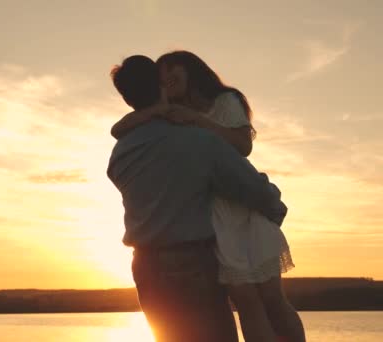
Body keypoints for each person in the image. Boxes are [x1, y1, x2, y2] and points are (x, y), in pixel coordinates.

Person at [112, 51, 306, 342]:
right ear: (161, 86)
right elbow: (251, 187)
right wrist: (275, 205)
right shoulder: (198, 140)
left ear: (128, 99)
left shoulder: (121, 152)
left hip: (146, 267)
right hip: (193, 263)